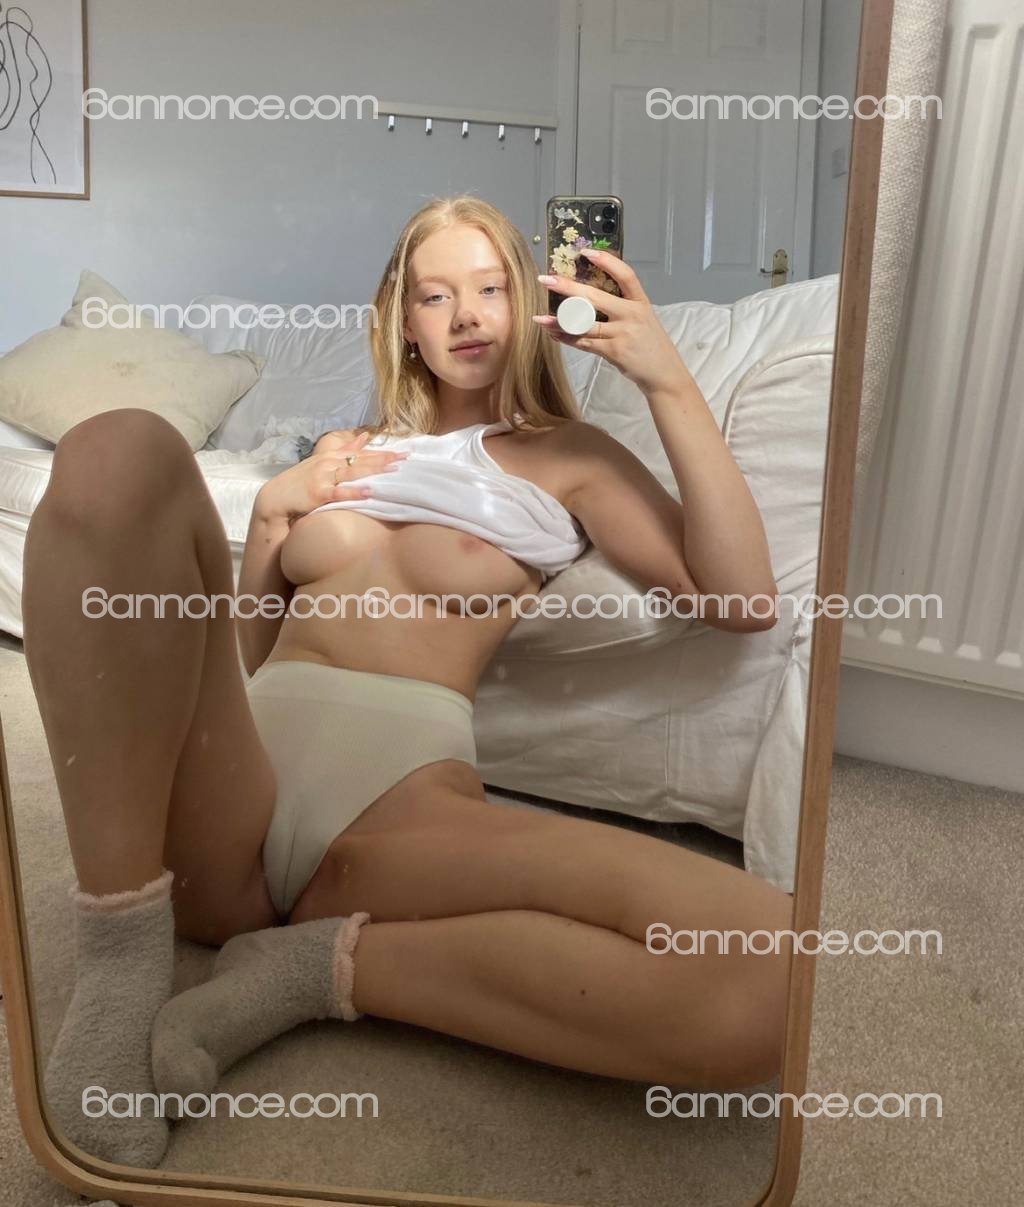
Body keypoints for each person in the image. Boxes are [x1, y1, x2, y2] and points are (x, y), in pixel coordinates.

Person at [23, 196, 791, 1168]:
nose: (466, 315)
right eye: (436, 295)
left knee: (771, 971)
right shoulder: (341, 451)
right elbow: (248, 657)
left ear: (528, 305)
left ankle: (317, 967)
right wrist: (272, 517)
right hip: (235, 787)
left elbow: (742, 599)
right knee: (116, 445)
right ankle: (120, 958)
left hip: (398, 812)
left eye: (491, 288)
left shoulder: (568, 458)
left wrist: (664, 377)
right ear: (401, 320)